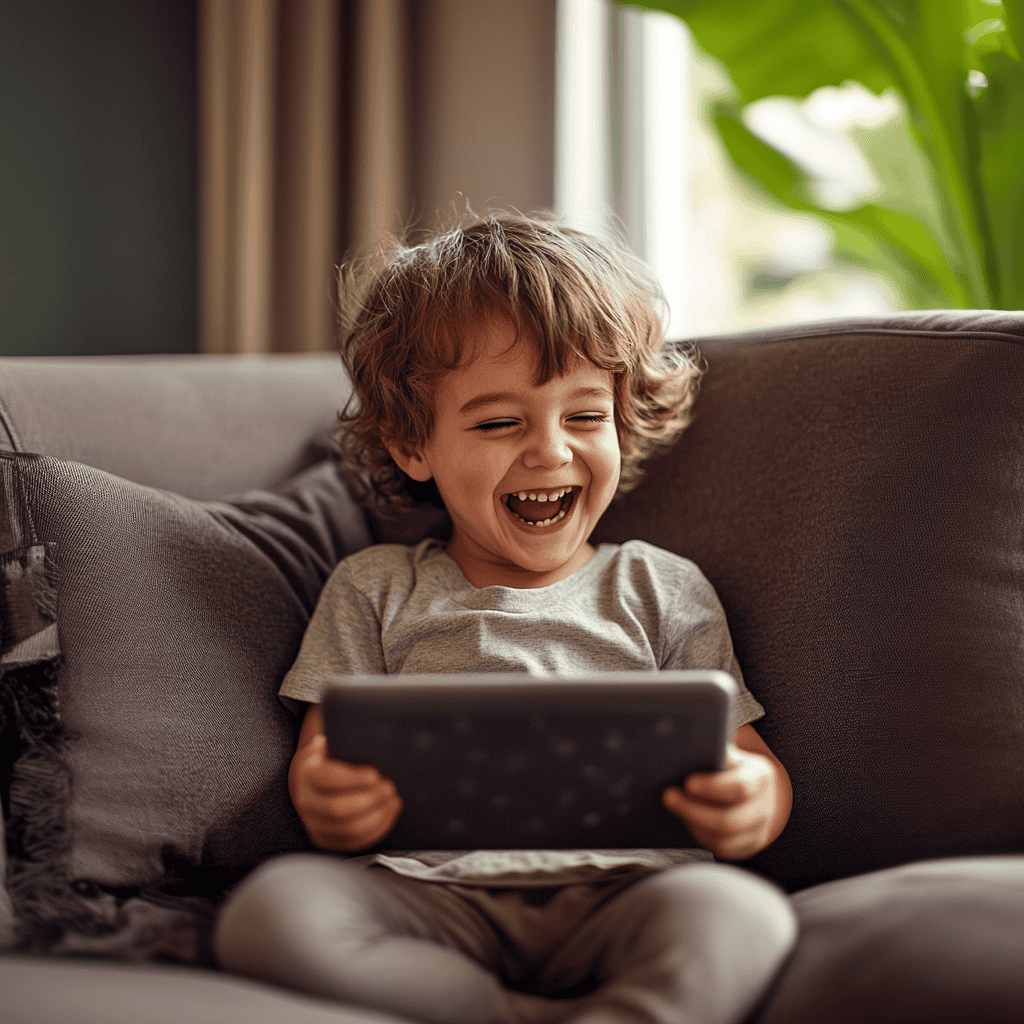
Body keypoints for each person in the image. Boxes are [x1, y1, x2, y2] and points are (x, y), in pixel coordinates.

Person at [214, 214, 796, 1024]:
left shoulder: (663, 586)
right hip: (431, 899)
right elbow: (322, 759)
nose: (551, 452)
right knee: (271, 912)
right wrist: (329, 800)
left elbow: (749, 758)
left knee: (744, 915)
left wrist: (751, 802)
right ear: (414, 446)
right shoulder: (374, 587)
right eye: (498, 422)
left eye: (585, 417)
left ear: (623, 426)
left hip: (630, 892)